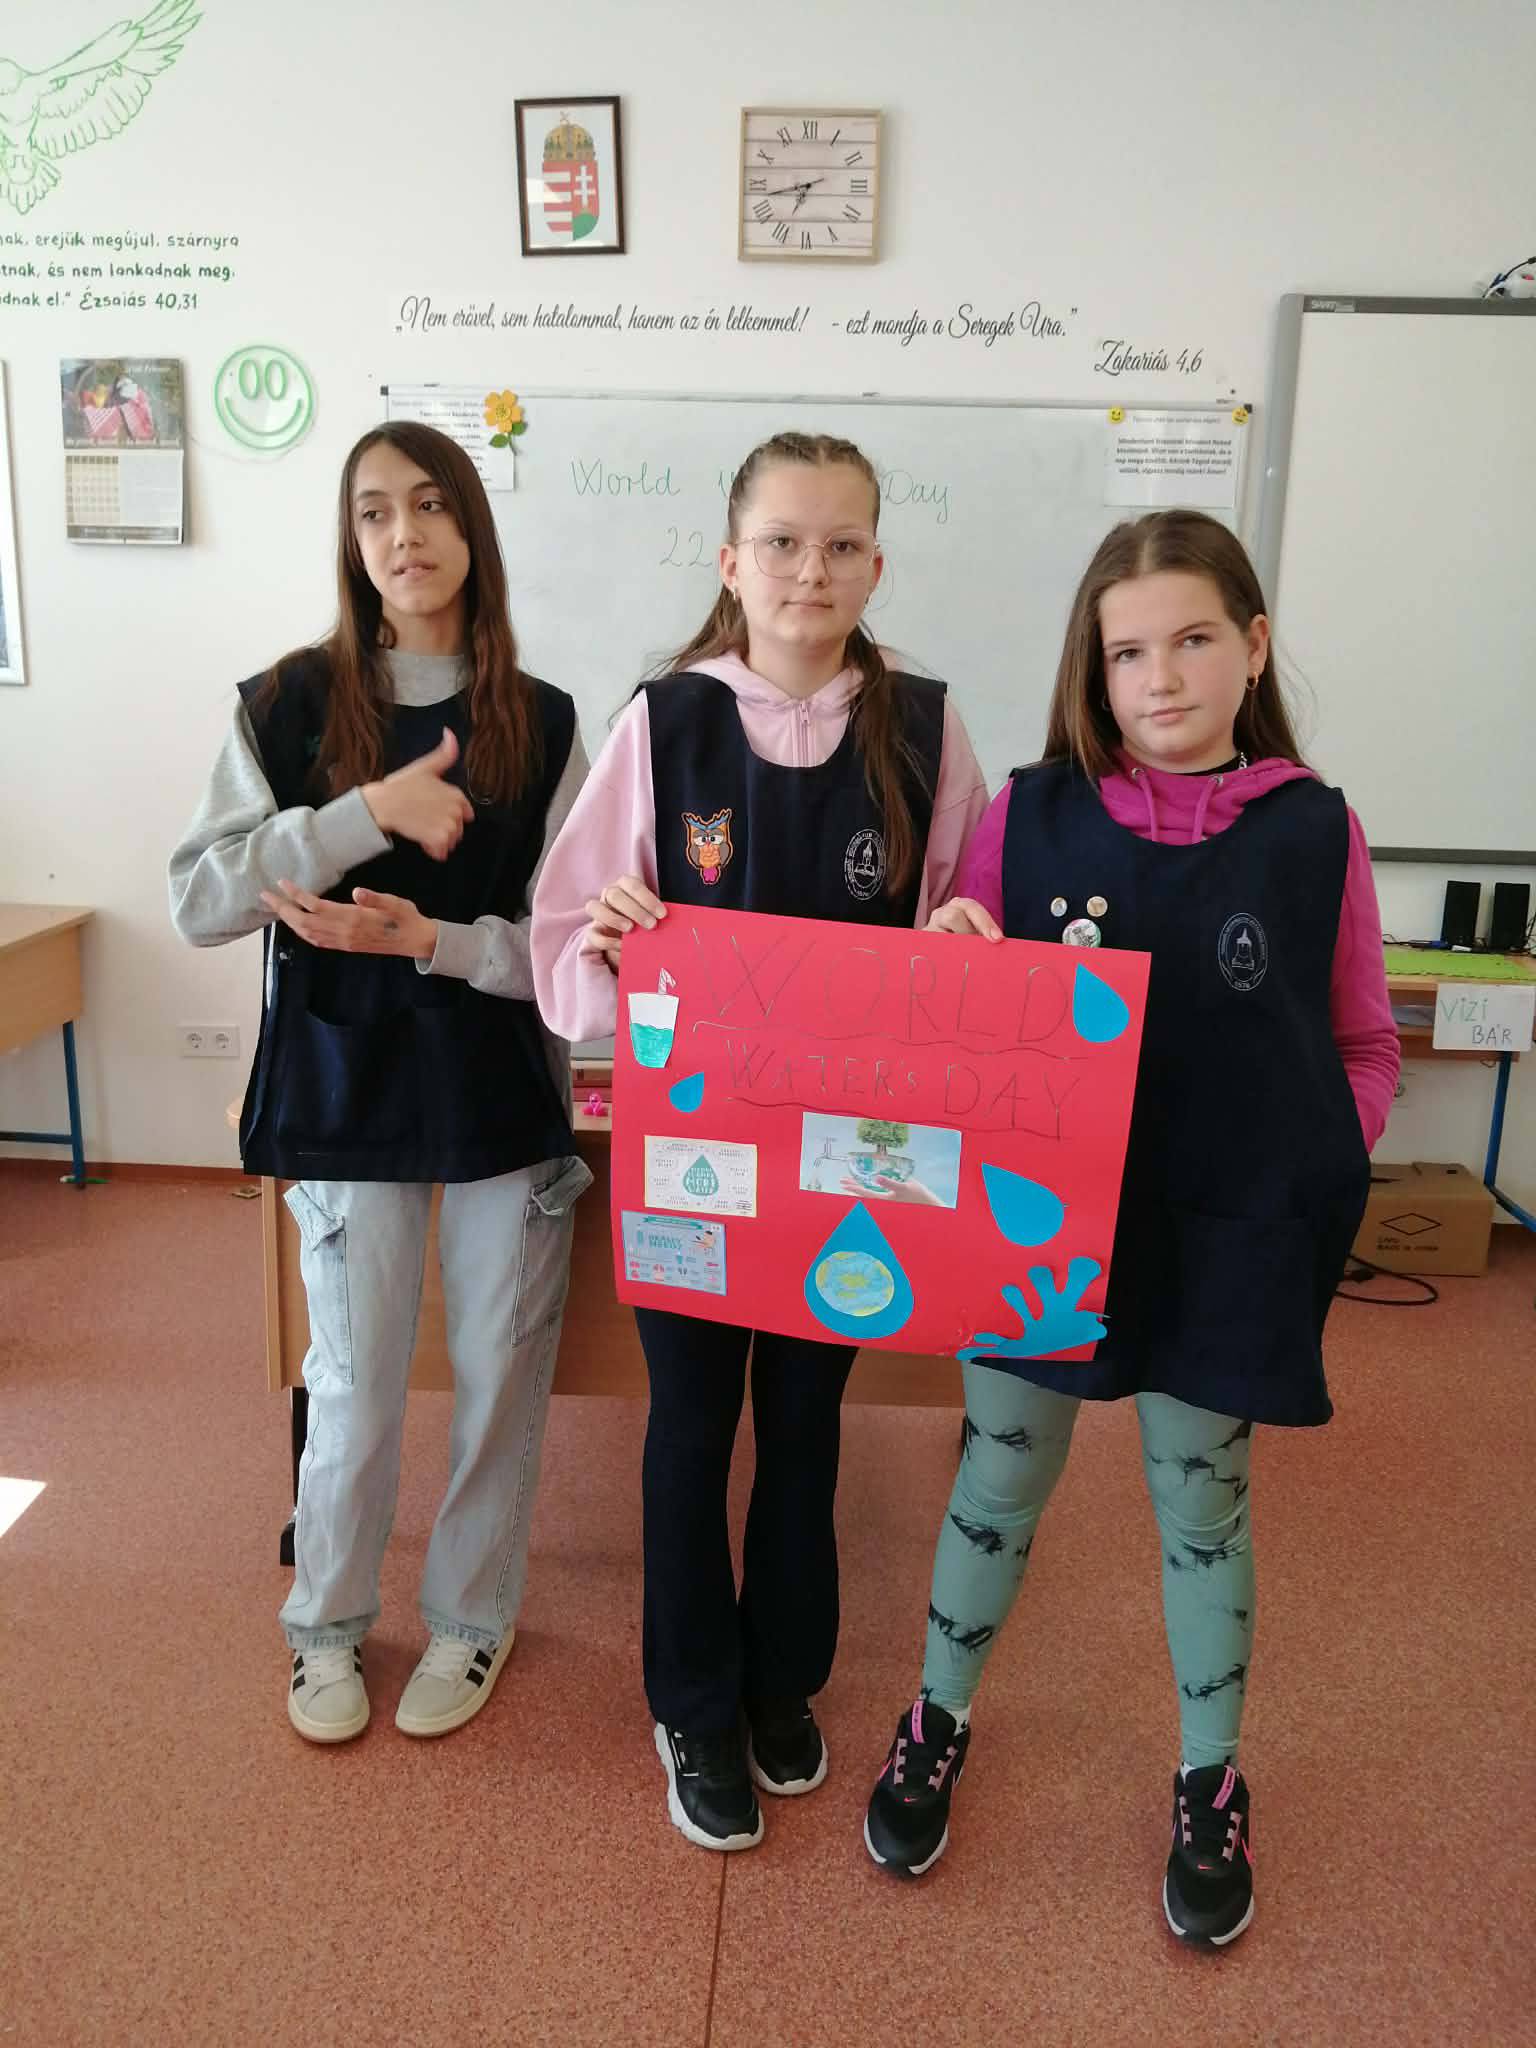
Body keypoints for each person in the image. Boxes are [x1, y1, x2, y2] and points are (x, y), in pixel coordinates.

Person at [862, 509, 1399, 1948]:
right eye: (1126, 653)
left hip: (1224, 1240)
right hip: (1041, 1230)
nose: (1160, 678)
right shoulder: (1028, 815)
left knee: (1201, 1509)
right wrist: (950, 959)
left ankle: (1211, 1777)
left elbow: (1360, 1041)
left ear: (1255, 647)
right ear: (1092, 671)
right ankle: (936, 1717)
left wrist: (1314, 1170)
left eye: (1194, 640)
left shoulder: (1315, 831)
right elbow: (952, 1020)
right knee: (997, 1480)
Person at [530, 430, 989, 1851]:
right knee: (689, 1424)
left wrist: (966, 939)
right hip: (695, 1163)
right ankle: (692, 1699)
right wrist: (610, 938)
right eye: (782, 542)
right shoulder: (665, 725)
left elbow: (975, 931)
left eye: (842, 544)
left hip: (853, 1165)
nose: (811, 569)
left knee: (805, 1422)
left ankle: (783, 1680)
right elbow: (567, 941)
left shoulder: (925, 732)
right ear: (732, 562)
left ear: (877, 565)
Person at [169, 421, 591, 1744]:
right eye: (372, 513)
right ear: (351, 542)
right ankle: (327, 1627)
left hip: (497, 1100)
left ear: (472, 527)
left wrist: (435, 942)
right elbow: (200, 898)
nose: (403, 535)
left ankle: (472, 1618)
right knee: (351, 1380)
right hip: (345, 1097)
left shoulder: (546, 721)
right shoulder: (285, 704)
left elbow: (572, 952)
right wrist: (366, 815)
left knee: (498, 1378)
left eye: (429, 505)